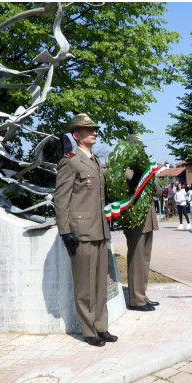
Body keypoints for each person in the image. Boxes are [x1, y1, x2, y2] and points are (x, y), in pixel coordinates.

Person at [54, 114, 117, 347]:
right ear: (76, 135)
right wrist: (64, 232)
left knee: (100, 283)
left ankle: (102, 326)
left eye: (94, 129)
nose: (94, 132)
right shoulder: (70, 161)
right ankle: (88, 330)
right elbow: (61, 200)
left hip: (99, 230)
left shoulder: (94, 161)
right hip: (81, 232)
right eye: (88, 129)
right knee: (84, 285)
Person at [123, 134, 163, 312]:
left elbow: (159, 192)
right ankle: (136, 300)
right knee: (137, 260)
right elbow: (132, 187)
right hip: (136, 220)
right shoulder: (126, 169)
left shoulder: (144, 168)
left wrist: (150, 177)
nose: (141, 152)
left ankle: (142, 295)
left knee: (144, 261)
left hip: (148, 219)